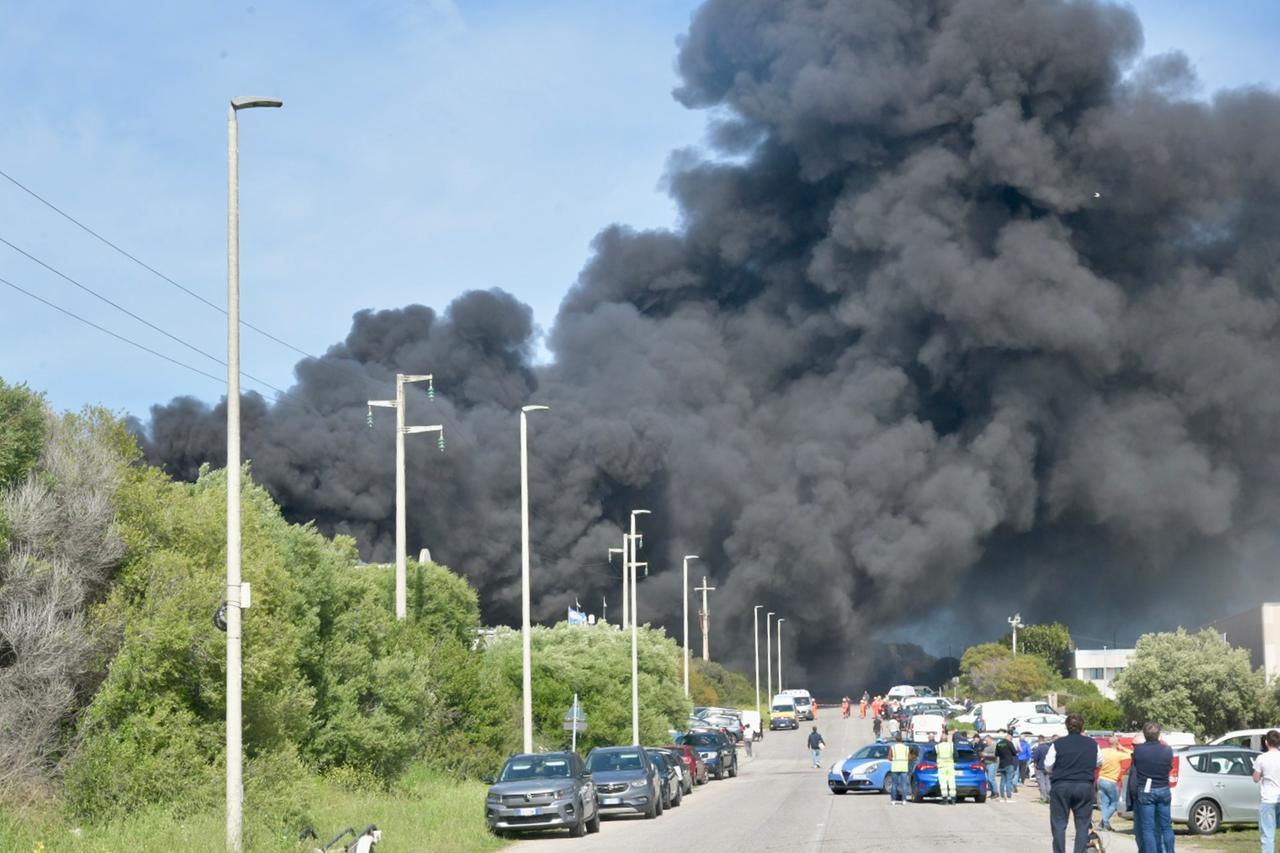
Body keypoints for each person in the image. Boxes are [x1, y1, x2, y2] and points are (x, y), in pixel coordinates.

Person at [1045, 714, 1102, 853]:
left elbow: (1048, 765)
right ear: (1082, 726)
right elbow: (1099, 761)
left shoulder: (1057, 744)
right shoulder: (1092, 743)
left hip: (1062, 785)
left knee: (1059, 824)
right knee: (1082, 824)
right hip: (1084, 785)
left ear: (1066, 727)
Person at [1129, 722, 1174, 853]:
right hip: (1163, 788)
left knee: (1147, 828)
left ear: (1145, 734)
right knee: (1166, 827)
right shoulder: (1167, 750)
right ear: (1158, 734)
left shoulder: (1139, 750)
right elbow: (1169, 767)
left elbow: (1136, 768)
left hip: (1146, 790)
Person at [1252, 729, 1280, 852]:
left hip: (1268, 799)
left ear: (1266, 742)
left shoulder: (1261, 758)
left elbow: (1255, 778)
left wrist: (1264, 774)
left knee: (1268, 834)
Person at [1097, 734, 1130, 831]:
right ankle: (1104, 820)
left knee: (1105, 802)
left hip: (1101, 778)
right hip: (1111, 781)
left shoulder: (1103, 751)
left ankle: (1104, 824)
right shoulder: (1118, 754)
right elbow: (1133, 754)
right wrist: (1122, 748)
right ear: (1117, 743)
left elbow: (1098, 761)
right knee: (1114, 803)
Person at [996, 731, 1019, 802]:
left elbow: (996, 754)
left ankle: (1002, 797)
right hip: (1009, 763)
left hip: (1002, 764)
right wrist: (1018, 750)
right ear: (1010, 737)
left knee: (1002, 780)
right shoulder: (1009, 743)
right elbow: (1014, 753)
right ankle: (1009, 797)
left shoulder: (999, 743)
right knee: (1009, 780)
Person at [936, 728, 957, 805]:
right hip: (950, 767)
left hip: (941, 767)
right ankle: (953, 800)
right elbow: (956, 756)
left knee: (943, 783)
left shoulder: (937, 746)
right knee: (952, 782)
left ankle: (945, 800)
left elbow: (932, 754)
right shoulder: (951, 746)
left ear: (940, 739)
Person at [889, 732, 910, 805]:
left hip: (895, 767)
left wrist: (894, 759)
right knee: (904, 784)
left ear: (896, 740)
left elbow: (889, 758)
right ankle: (904, 800)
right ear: (902, 740)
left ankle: (893, 800)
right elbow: (909, 757)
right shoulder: (906, 748)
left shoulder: (893, 747)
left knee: (894, 784)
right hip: (904, 767)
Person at [1032, 735, 1053, 803]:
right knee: (1048, 783)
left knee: (1042, 783)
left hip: (1040, 767)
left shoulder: (1038, 748)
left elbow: (1035, 758)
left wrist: (1035, 765)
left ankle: (1043, 798)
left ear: (1039, 740)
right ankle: (1049, 797)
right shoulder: (1048, 747)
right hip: (1047, 767)